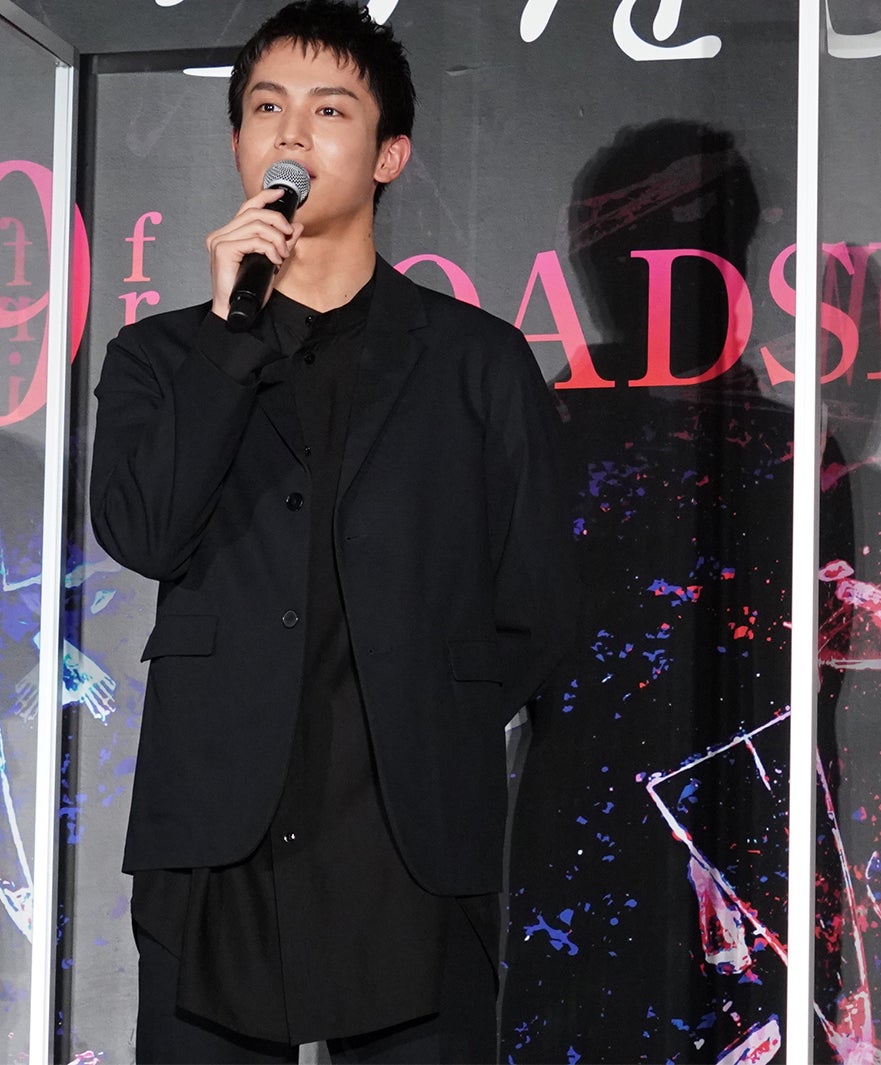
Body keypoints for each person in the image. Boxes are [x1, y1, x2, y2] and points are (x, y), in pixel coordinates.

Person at [89, 2, 574, 1060]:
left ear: (390, 154)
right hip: (216, 835)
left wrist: (434, 711)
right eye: (268, 109)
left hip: (410, 836)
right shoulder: (161, 359)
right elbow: (143, 533)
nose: (294, 135)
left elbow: (538, 600)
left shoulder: (478, 362)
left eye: (330, 110)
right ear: (237, 142)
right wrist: (230, 337)